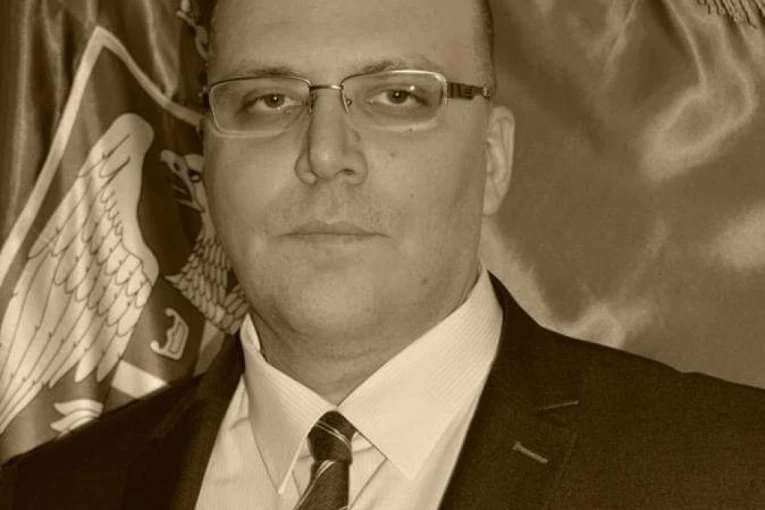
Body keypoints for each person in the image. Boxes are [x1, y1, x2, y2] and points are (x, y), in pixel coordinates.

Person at [3, 0, 765, 508]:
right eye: (268, 99)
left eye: (397, 96)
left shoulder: (733, 473)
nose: (324, 154)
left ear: (492, 159)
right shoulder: (42, 495)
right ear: (207, 164)